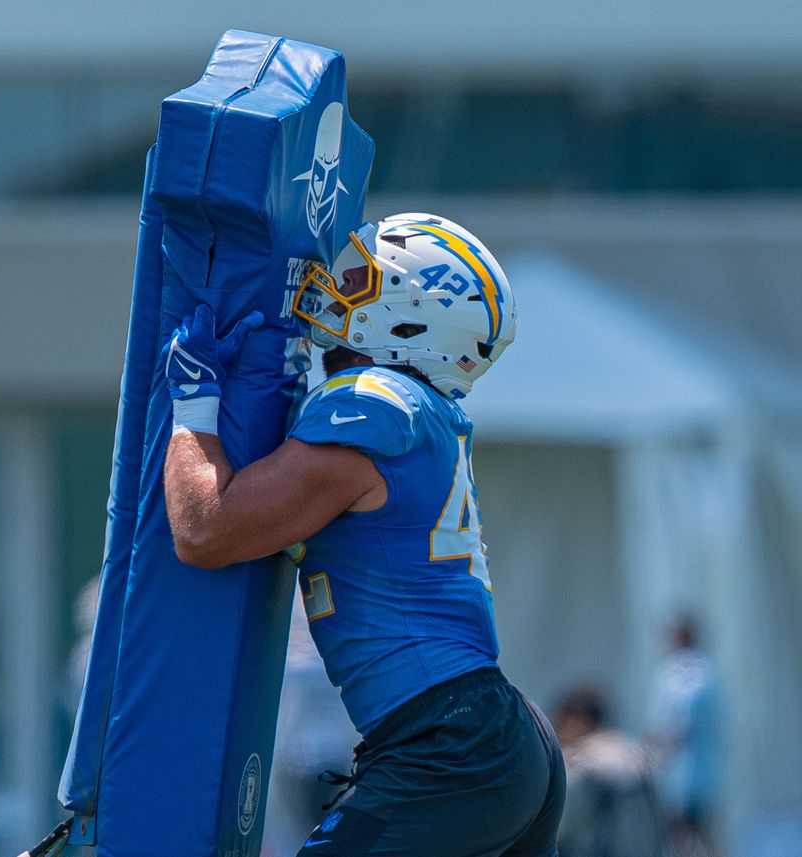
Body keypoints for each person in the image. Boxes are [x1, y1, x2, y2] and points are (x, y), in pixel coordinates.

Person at [162, 213, 565, 856]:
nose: (338, 286)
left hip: (450, 744)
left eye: (362, 278)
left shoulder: (370, 400)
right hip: (490, 736)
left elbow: (204, 532)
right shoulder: (421, 412)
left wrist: (192, 406)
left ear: (409, 315)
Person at [553, 685, 665, 857]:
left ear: (576, 720)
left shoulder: (584, 760)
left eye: (560, 725)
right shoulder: (633, 750)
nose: (557, 734)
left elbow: (557, 827)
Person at [645, 617, 720, 857]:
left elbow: (678, 718)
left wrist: (658, 749)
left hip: (681, 764)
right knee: (698, 828)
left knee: (685, 828)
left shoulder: (685, 672)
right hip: (696, 764)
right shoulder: (706, 668)